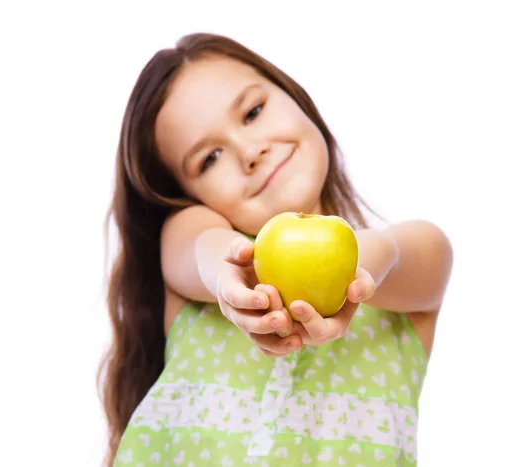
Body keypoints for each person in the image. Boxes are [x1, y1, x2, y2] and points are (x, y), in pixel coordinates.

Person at [98, 32, 453, 467]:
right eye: (209, 158)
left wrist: (357, 268)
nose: (250, 151)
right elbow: (201, 252)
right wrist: (231, 279)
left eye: (253, 112)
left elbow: (401, 254)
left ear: (293, 94)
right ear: (186, 193)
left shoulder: (404, 270)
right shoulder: (196, 246)